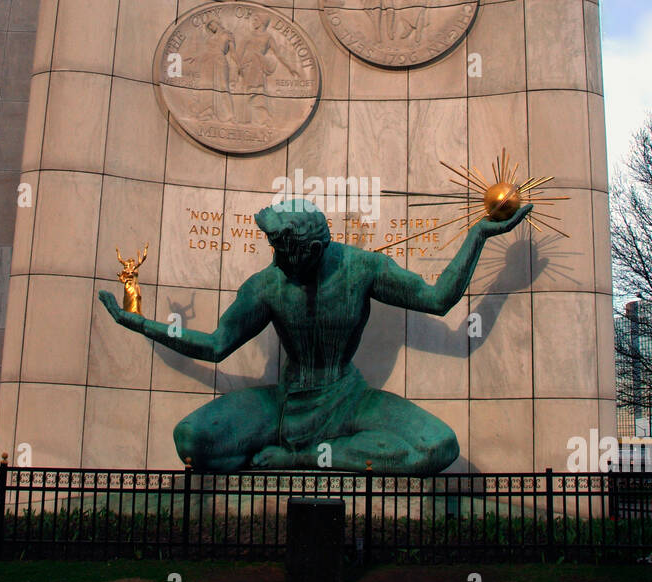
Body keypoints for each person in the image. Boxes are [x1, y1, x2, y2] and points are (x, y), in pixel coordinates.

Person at [98, 198, 531, 474]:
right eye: (274, 250)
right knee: (191, 440)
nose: (277, 259)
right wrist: (137, 320)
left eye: (284, 251)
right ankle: (306, 449)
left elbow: (437, 300)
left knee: (439, 447)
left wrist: (478, 236)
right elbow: (215, 345)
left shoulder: (363, 269)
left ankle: (299, 458)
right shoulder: (267, 285)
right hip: (285, 405)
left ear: (313, 248)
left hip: (350, 400)